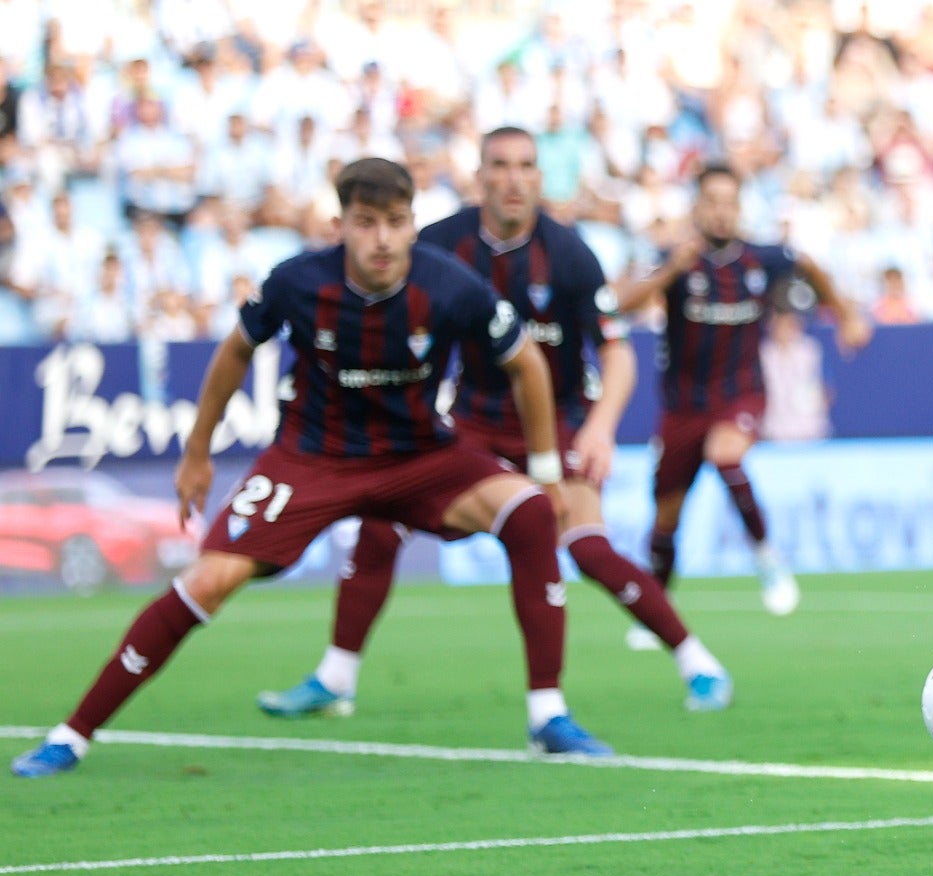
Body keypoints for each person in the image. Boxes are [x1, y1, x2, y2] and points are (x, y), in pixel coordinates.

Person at [14, 159, 613, 778]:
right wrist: (197, 453)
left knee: (531, 511)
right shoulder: (297, 282)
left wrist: (544, 470)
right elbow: (234, 352)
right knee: (209, 580)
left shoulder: (451, 286)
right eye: (366, 223)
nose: (381, 239)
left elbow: (527, 364)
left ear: (413, 225)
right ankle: (72, 735)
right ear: (339, 225)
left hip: (419, 457)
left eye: (395, 223)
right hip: (312, 457)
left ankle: (548, 715)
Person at [256, 129, 733, 719]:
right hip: (470, 425)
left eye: (526, 166)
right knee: (381, 526)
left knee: (586, 545)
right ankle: (336, 678)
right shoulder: (439, 243)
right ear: (480, 177)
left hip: (554, 424)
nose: (513, 178)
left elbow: (616, 351)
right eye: (500, 166)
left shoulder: (570, 255)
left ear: (540, 177)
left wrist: (601, 427)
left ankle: (696, 661)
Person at [615, 164, 869, 622]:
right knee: (665, 518)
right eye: (711, 202)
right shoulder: (676, 259)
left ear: (740, 208)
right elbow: (622, 306)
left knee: (725, 454)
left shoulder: (760, 259)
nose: (720, 213)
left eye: (729, 203)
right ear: (697, 207)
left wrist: (845, 313)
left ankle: (766, 557)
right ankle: (658, 612)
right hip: (683, 405)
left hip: (741, 394)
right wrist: (667, 271)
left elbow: (809, 265)